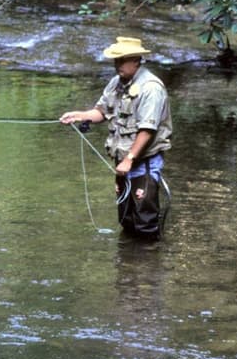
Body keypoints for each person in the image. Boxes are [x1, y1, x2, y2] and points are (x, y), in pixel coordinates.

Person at [60, 36, 173, 237]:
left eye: (122, 60)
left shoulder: (151, 88)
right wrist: (79, 115)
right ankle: (127, 265)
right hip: (123, 163)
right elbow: (102, 112)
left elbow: (147, 130)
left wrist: (129, 159)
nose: (117, 64)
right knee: (126, 218)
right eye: (116, 60)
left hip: (143, 163)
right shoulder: (116, 82)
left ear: (137, 60)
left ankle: (148, 264)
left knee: (144, 221)